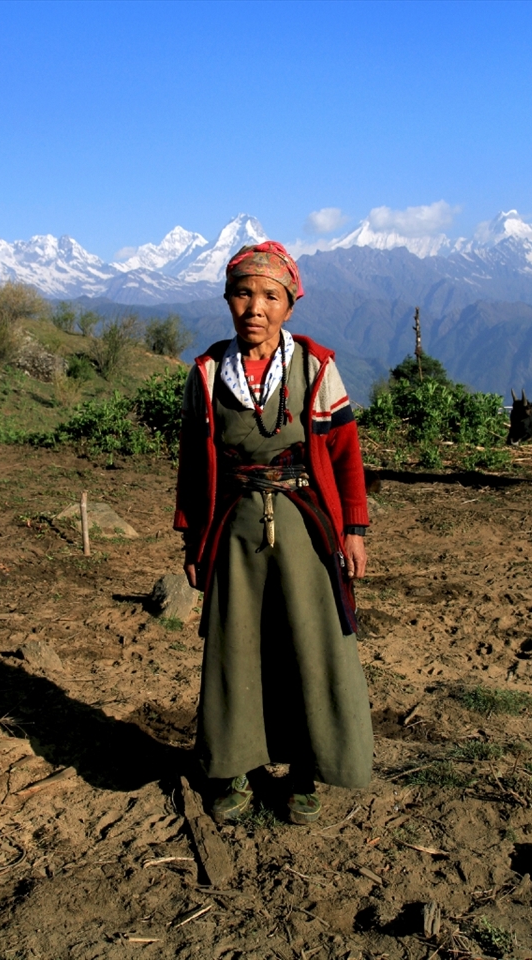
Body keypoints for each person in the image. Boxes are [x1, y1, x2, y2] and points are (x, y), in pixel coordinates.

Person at [174, 241, 373, 824]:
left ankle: (309, 770)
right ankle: (232, 766)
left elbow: (344, 453)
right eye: (243, 293)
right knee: (236, 645)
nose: (255, 307)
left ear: (290, 305)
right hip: (235, 528)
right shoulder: (208, 374)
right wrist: (192, 540)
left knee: (311, 643)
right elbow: (193, 462)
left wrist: (354, 531)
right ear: (228, 300)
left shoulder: (315, 367)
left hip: (305, 526)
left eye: (270, 296)